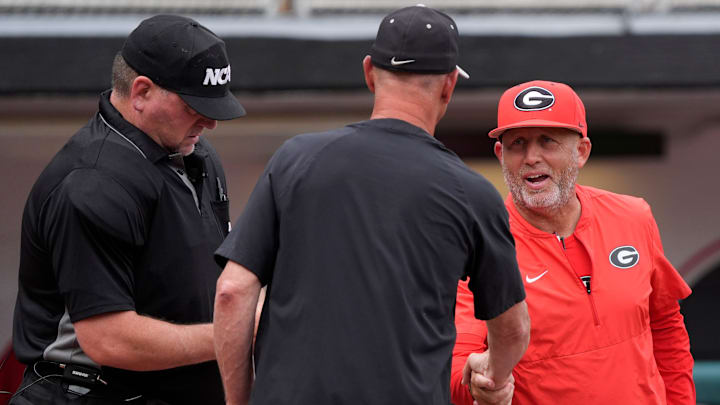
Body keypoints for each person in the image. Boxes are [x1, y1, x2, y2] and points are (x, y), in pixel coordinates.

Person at [212, 5, 530, 405]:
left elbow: (232, 292)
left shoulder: (296, 159)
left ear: (368, 73)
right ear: (449, 85)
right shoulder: (472, 193)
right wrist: (494, 373)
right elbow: (513, 328)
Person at [10, 14, 245, 404]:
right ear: (141, 92)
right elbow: (109, 340)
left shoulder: (194, 153)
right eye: (194, 105)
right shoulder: (94, 182)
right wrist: (237, 334)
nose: (210, 122)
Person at [451, 80, 696, 404]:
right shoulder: (480, 246)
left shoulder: (634, 216)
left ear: (581, 151)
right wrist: (479, 383)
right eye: (517, 143)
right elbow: (457, 367)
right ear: (500, 154)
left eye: (547, 141)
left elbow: (665, 326)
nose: (531, 157)